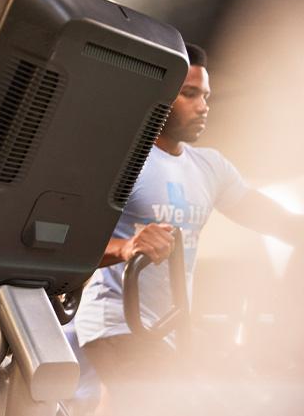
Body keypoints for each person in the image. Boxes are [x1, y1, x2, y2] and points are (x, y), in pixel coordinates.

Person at [73, 43, 304, 416]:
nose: (203, 106)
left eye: (206, 96)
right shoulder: (125, 162)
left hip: (168, 326)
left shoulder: (209, 168)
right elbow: (70, 245)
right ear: (160, 97)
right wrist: (126, 246)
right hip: (116, 320)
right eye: (190, 94)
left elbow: (274, 220)